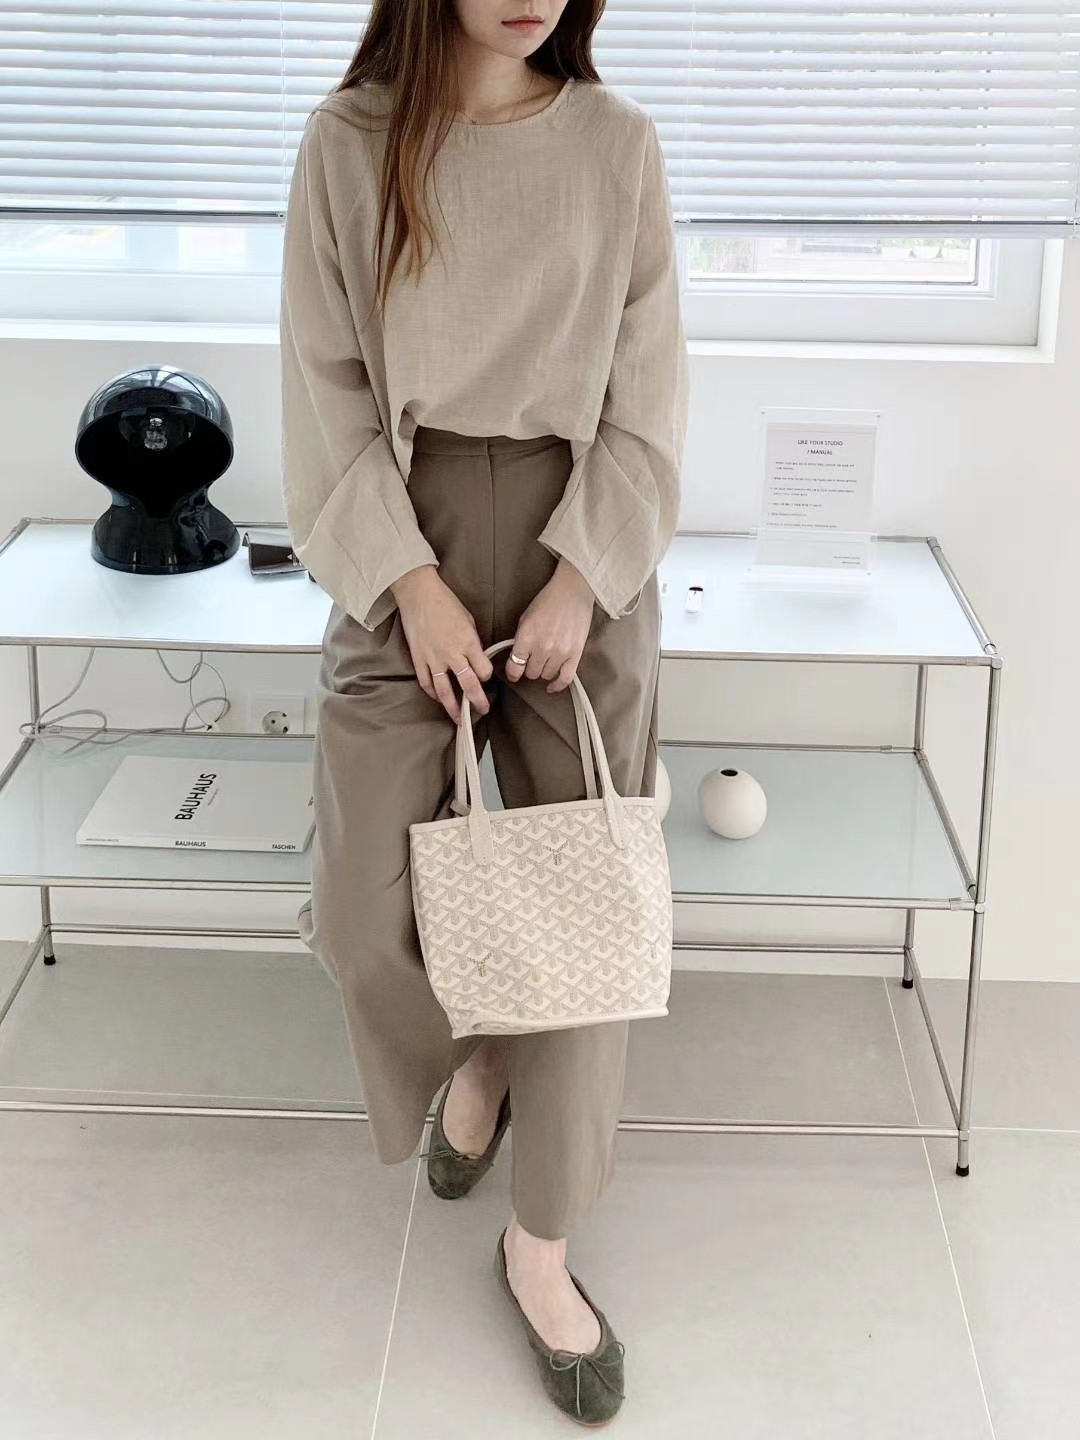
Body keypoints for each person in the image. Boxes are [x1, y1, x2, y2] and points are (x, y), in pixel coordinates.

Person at [279, 0, 688, 1424]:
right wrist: (410, 585)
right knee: (356, 909)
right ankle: (485, 1048)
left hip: (582, 537)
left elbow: (649, 395)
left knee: (584, 905)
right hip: (406, 529)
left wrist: (582, 578)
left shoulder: (617, 146)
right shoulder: (350, 143)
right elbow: (324, 389)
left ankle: (542, 1242)